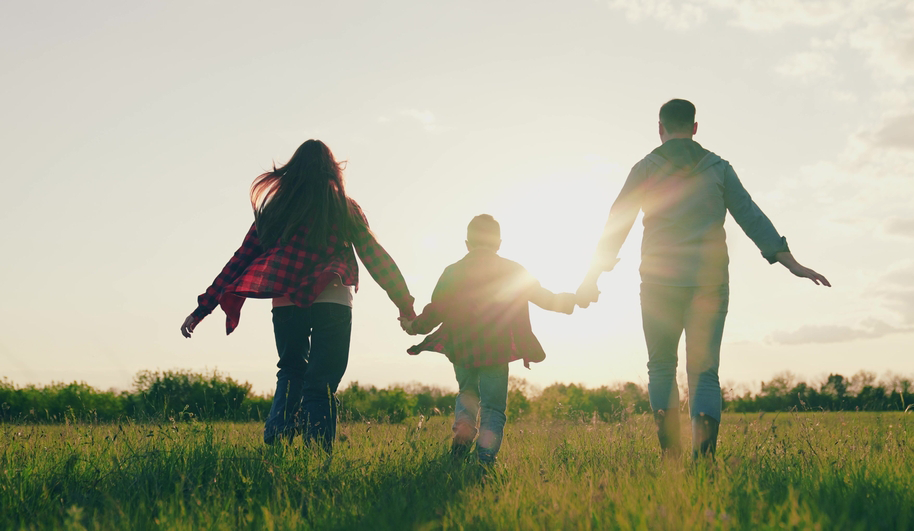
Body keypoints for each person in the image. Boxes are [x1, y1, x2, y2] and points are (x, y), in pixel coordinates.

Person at [577, 99, 830, 460]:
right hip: (709, 284)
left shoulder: (646, 168)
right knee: (705, 372)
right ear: (695, 128)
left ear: (660, 128)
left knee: (662, 366)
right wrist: (790, 261)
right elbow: (751, 215)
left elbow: (616, 223)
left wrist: (592, 276)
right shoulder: (718, 168)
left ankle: (671, 457)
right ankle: (705, 459)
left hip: (659, 283)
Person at [180, 139, 416, 448]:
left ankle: (277, 439)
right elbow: (375, 256)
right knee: (321, 382)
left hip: (286, 302)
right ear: (332, 171)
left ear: (293, 171)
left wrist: (202, 309)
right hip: (333, 300)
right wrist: (404, 304)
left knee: (291, 370)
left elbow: (239, 260)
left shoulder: (276, 211)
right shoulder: (344, 208)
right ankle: (316, 456)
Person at [401, 214, 577, 465]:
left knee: (467, 392)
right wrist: (572, 300)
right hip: (497, 347)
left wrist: (413, 326)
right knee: (493, 407)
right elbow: (543, 297)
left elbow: (436, 310)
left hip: (461, 347)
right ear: (499, 243)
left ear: (466, 243)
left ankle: (463, 427)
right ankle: (485, 458)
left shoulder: (452, 271)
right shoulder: (513, 269)